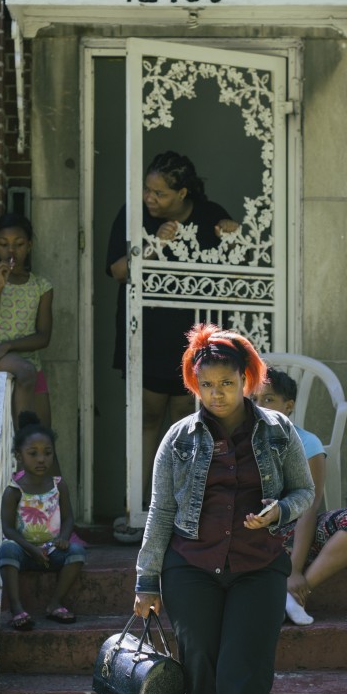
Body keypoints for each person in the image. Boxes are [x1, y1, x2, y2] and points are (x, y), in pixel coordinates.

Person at [132, 324, 315, 694]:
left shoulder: (278, 431)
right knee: (205, 680)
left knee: (244, 675)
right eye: (206, 383)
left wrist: (281, 511)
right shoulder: (179, 438)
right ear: (195, 383)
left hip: (259, 569)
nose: (217, 394)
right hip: (191, 570)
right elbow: (161, 511)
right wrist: (147, 579)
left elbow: (303, 491)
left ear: (247, 380)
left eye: (227, 384)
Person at [106, 152, 239, 542]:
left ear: (183, 193)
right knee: (147, 417)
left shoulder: (209, 212)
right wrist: (152, 245)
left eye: (160, 193)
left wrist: (233, 233)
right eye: (147, 189)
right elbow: (117, 270)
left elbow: (232, 264)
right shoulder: (134, 213)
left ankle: (183, 508)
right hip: (146, 330)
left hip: (191, 335)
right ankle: (142, 507)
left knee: (186, 415)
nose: (149, 197)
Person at [256, 368, 347, 625]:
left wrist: (295, 570)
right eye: (252, 400)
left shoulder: (307, 443)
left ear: (288, 406)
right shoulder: (237, 442)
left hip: (294, 536)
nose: (259, 406)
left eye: (268, 399)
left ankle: (290, 595)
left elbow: (310, 506)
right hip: (252, 536)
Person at [0, 412, 85, 630]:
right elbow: (7, 527)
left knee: (77, 552)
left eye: (47, 453)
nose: (41, 459)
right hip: (23, 550)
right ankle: (17, 609)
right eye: (33, 453)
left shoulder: (58, 485)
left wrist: (63, 538)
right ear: (19, 456)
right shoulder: (14, 490)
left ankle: (55, 603)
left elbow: (68, 518)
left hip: (52, 550)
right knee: (6, 551)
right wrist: (29, 549)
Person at [0, 212, 54, 428]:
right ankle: (22, 445)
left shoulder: (41, 286)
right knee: (24, 372)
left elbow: (44, 337)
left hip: (28, 362)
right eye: (3, 244)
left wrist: (8, 346)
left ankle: (29, 449)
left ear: (29, 246)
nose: (11, 251)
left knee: (45, 438)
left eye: (19, 244)